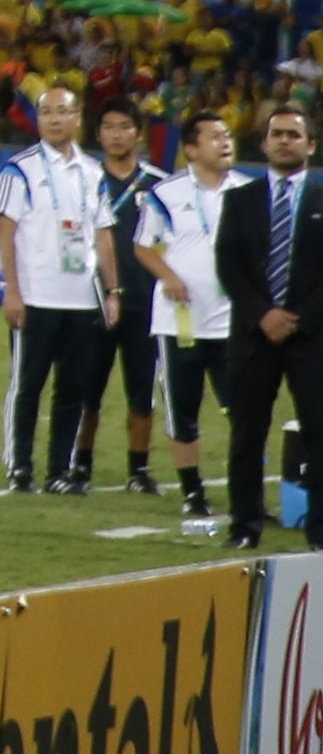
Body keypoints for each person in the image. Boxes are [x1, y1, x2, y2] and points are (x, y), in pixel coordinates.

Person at [0, 87, 112, 496]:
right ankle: (19, 467)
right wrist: (12, 291)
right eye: (46, 112)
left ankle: (59, 471)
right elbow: (5, 233)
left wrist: (111, 291)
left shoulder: (93, 172)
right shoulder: (19, 169)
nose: (54, 119)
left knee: (73, 390)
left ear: (78, 118)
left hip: (81, 298)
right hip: (36, 296)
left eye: (62, 112)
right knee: (27, 386)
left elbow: (103, 235)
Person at [217, 101, 323, 551]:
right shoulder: (239, 200)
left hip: (312, 338)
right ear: (263, 143)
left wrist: (299, 319)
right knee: (247, 433)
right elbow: (229, 263)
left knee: (320, 432)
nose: (284, 141)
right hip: (253, 335)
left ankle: (319, 530)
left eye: (293, 134)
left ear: (311, 146)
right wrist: (262, 314)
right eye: (277, 133)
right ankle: (244, 526)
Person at [137, 111, 240, 536]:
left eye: (228, 135)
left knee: (246, 411)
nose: (226, 141)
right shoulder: (165, 193)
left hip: (233, 323)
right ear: (192, 149)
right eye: (215, 136)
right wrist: (171, 278)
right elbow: (143, 247)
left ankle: (245, 494)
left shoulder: (247, 192)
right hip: (178, 323)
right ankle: (193, 492)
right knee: (183, 411)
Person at [75, 97, 173, 495]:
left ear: (138, 133)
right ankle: (79, 464)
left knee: (141, 389)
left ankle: (139, 469)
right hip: (91, 299)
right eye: (109, 127)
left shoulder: (159, 184)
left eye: (124, 127)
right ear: (98, 134)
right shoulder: (83, 178)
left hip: (145, 302)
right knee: (87, 388)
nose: (116, 134)